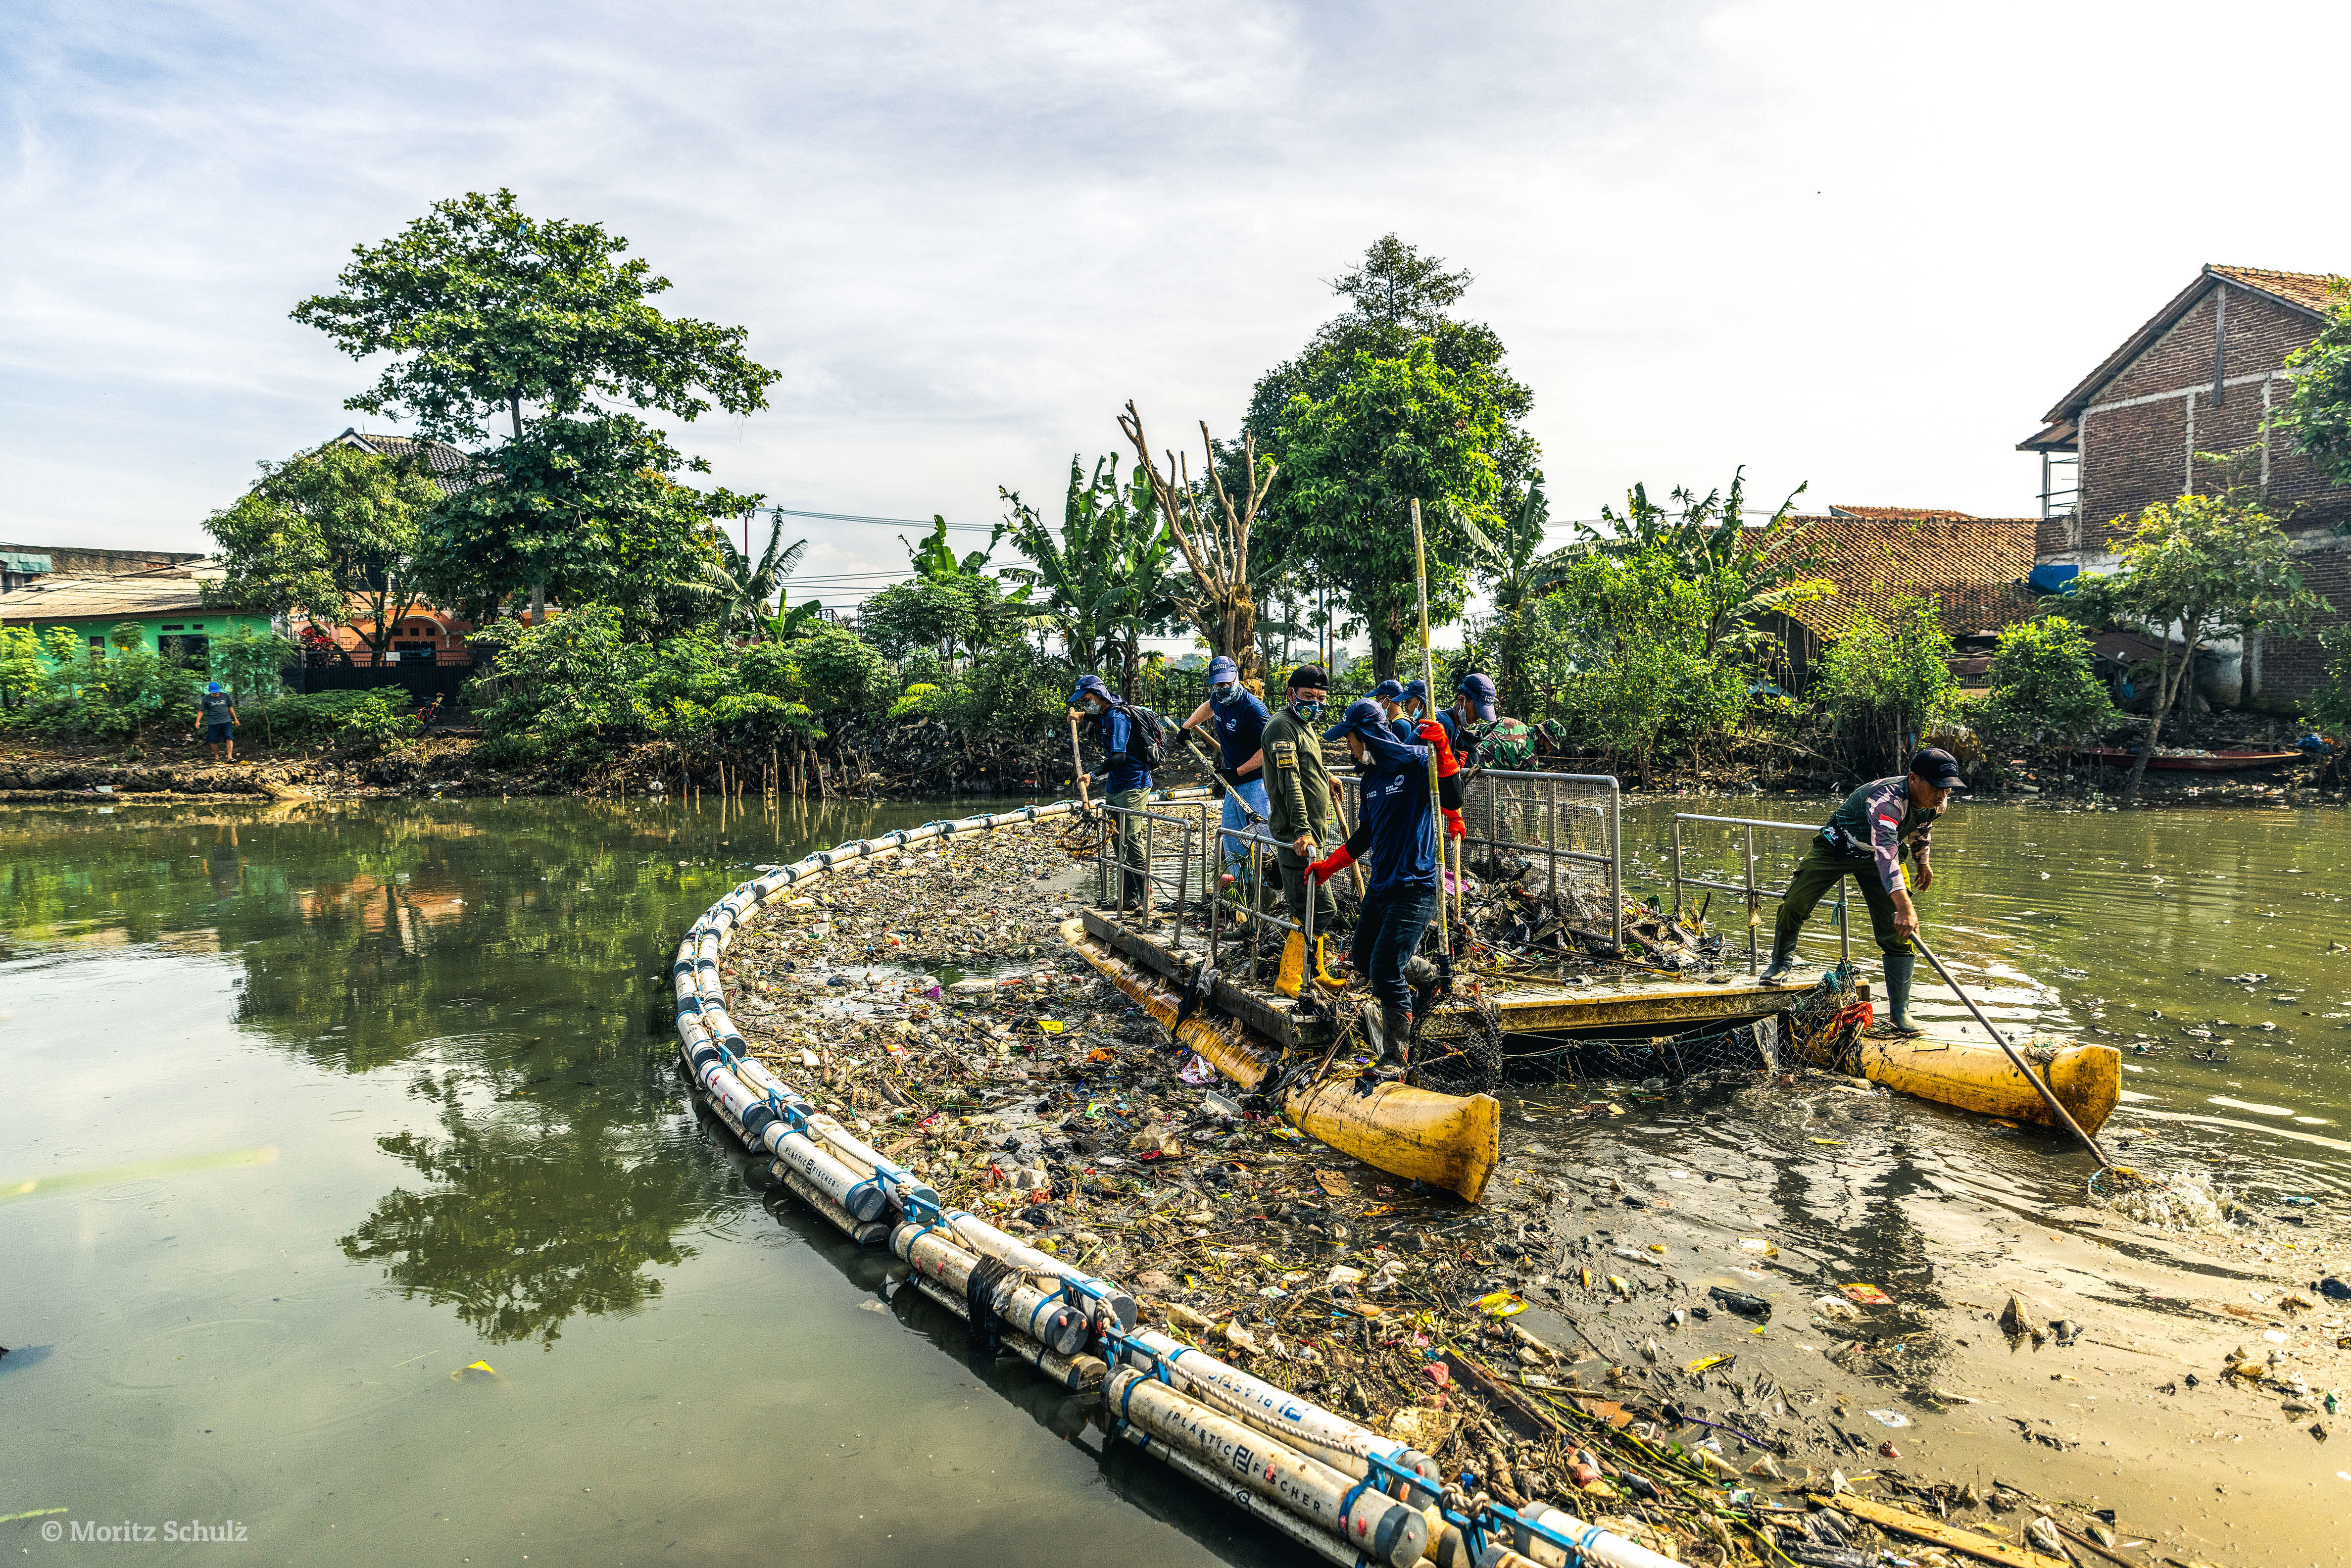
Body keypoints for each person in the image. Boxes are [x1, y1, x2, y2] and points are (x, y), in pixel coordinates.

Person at [1757, 747, 1967, 1038]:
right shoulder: (1886, 802)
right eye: (1937, 788)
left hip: (1880, 857)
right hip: (1838, 848)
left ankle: (1899, 1013)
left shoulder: (1937, 802)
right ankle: (1781, 961)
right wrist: (1905, 907)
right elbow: (1886, 856)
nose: (1942, 796)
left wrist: (1923, 861)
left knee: (1898, 933)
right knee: (1795, 902)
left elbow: (1922, 827)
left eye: (1948, 789)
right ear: (1914, 779)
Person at [1306, 698, 1467, 1076]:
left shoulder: (1416, 760)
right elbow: (1367, 834)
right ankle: (1432, 977)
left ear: (1364, 736)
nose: (1348, 747)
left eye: (1349, 739)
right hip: (1382, 885)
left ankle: (1396, 1056)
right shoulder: (1371, 780)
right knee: (1363, 959)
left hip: (1417, 885)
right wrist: (1330, 865)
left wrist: (1443, 750)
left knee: (1384, 968)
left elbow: (1454, 798)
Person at [1262, 664, 1342, 935]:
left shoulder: (1303, 725)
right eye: (1308, 696)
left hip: (1312, 837)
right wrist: (1303, 832)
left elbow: (1306, 764)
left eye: (1321, 699)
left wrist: (1325, 776)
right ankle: (1292, 976)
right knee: (1317, 909)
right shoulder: (1282, 727)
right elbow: (1290, 781)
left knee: (1310, 908)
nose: (1315, 704)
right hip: (1298, 839)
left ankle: (1314, 971)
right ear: (1291, 694)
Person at [1181, 655, 1272, 883]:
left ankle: (1268, 891)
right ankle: (1245, 891)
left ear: (1237, 678)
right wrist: (1187, 726)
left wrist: (1239, 771)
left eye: (1227, 683)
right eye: (1217, 684)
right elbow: (1209, 707)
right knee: (1231, 839)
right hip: (1234, 783)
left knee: (1262, 842)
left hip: (1256, 782)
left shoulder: (1253, 709)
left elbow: (1270, 748)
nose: (1222, 689)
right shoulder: (1218, 699)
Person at [1069, 674, 1155, 909]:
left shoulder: (1117, 717)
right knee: (1117, 840)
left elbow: (1119, 757)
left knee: (1131, 839)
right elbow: (1101, 718)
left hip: (1133, 785)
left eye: (1086, 700)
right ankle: (1128, 899)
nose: (1085, 703)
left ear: (1097, 695)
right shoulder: (1109, 711)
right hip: (1116, 786)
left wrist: (1092, 774)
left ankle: (1147, 898)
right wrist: (1083, 715)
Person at [198, 681, 239, 762]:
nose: (216, 694)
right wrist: (198, 721)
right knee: (213, 740)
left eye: (217, 692)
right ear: (210, 692)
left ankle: (230, 757)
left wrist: (236, 719)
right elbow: (201, 711)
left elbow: (230, 708)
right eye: (214, 693)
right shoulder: (206, 699)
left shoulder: (225, 696)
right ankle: (217, 757)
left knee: (229, 738)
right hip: (213, 722)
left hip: (226, 721)